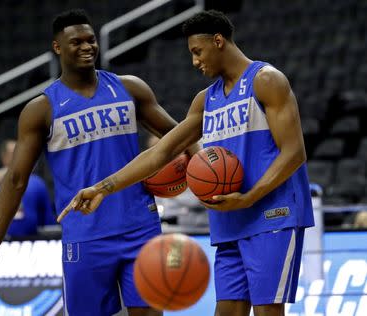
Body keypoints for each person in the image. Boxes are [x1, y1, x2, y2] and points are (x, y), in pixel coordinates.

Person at [59, 10, 315, 316]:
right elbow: (160, 152)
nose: (195, 61)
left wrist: (250, 197)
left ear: (218, 41)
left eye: (197, 51)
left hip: (272, 215)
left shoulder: (266, 81)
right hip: (229, 218)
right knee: (227, 311)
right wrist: (102, 188)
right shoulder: (205, 101)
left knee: (266, 311)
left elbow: (294, 152)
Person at [0, 9, 197, 316]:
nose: (87, 47)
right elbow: (15, 180)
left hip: (140, 227)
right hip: (85, 236)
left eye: (91, 40)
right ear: (57, 48)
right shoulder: (41, 109)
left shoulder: (129, 88)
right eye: (76, 42)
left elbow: (179, 136)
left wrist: (207, 165)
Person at [0, 139, 55, 238]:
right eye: (14, 152)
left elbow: (47, 216)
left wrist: (52, 238)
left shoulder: (36, 182)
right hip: (1, 242)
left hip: (32, 240)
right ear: (4, 157)